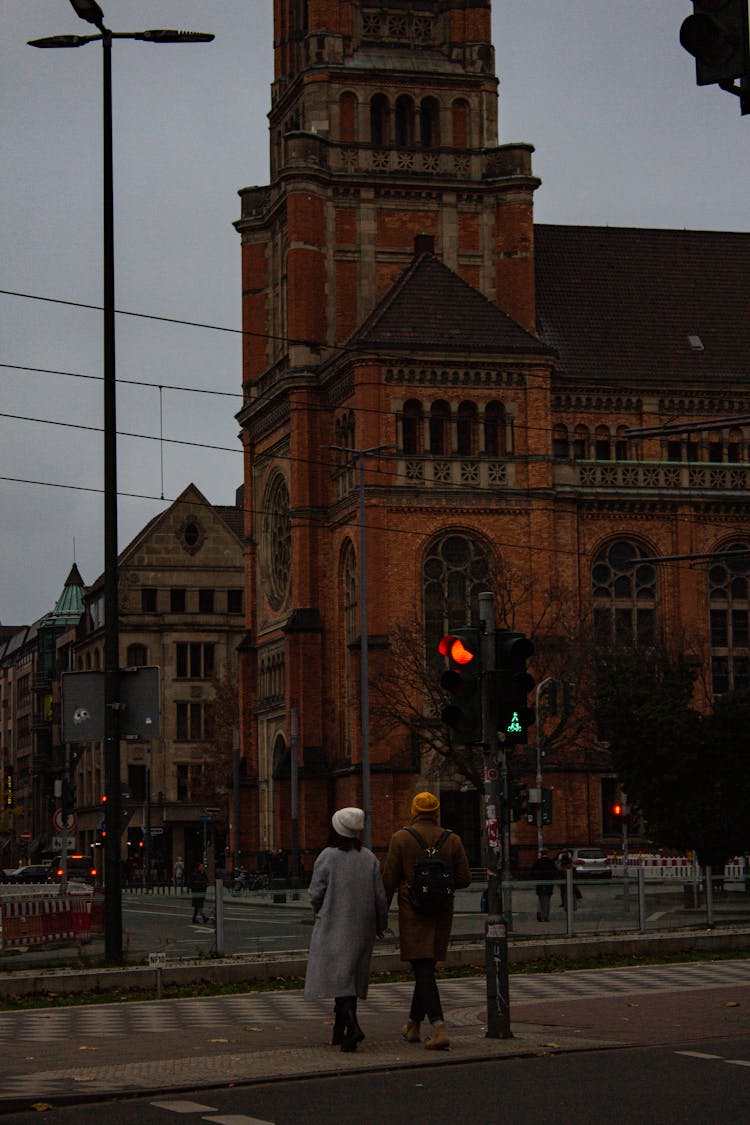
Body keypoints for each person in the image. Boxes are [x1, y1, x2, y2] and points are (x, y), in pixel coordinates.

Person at [381, 791, 472, 1051]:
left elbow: (388, 881)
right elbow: (464, 878)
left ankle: (440, 1027)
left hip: (414, 913)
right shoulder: (451, 839)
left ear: (414, 810)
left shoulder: (401, 839)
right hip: (441, 913)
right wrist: (440, 883)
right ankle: (413, 1025)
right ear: (436, 811)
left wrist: (380, 917)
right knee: (426, 968)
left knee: (422, 968)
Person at [304, 807, 388, 1052]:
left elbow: (315, 892)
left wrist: (320, 912)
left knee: (340, 977)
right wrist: (380, 924)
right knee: (349, 977)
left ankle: (352, 1026)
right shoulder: (369, 858)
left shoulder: (328, 856)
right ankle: (340, 1032)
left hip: (334, 924)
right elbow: (380, 897)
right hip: (362, 926)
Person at [531, 849, 556, 922]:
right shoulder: (551, 862)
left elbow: (532, 871)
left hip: (540, 883)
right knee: (547, 900)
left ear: (541, 854)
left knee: (540, 899)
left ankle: (539, 913)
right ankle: (546, 916)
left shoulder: (538, 861)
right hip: (549, 883)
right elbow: (555, 871)